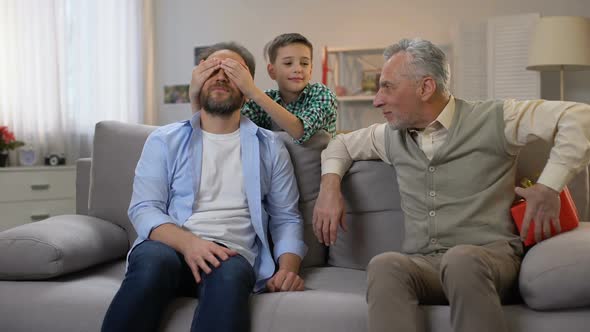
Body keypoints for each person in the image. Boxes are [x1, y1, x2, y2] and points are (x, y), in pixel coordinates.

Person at [312, 38, 590, 332]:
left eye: (387, 86)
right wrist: (329, 190)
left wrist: (549, 187)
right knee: (385, 264)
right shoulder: (390, 135)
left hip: (491, 259)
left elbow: (580, 117)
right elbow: (338, 145)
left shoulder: (498, 118)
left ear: (426, 87)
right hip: (426, 264)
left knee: (461, 258)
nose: (377, 99)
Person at [102, 42, 307, 332]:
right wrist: (191, 244)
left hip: (231, 254)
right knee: (151, 263)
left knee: (230, 276)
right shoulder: (165, 140)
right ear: (199, 80)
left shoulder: (270, 147)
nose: (221, 76)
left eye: (232, 71)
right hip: (169, 247)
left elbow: (286, 218)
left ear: (248, 86)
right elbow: (144, 208)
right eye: (213, 69)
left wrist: (287, 269)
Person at [190, 33, 337, 144]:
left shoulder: (321, 94)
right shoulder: (262, 101)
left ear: (311, 70)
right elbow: (223, 129)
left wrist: (252, 91)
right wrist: (194, 96)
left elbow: (300, 131)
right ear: (272, 71)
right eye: (288, 63)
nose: (298, 69)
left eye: (304, 64)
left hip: (317, 173)